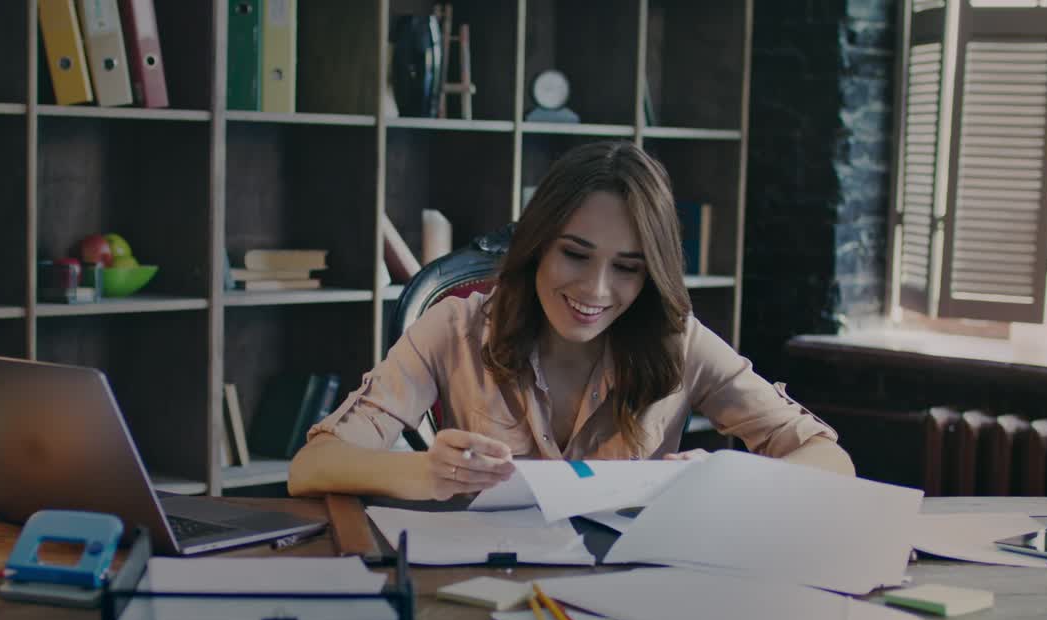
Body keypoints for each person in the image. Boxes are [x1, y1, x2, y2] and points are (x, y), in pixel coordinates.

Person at [289, 141, 853, 500]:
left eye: (628, 268)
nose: (595, 290)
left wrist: (731, 484)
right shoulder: (453, 328)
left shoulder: (678, 343)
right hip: (481, 589)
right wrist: (422, 473)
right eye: (575, 255)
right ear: (537, 246)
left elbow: (830, 459)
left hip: (630, 598)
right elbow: (312, 466)